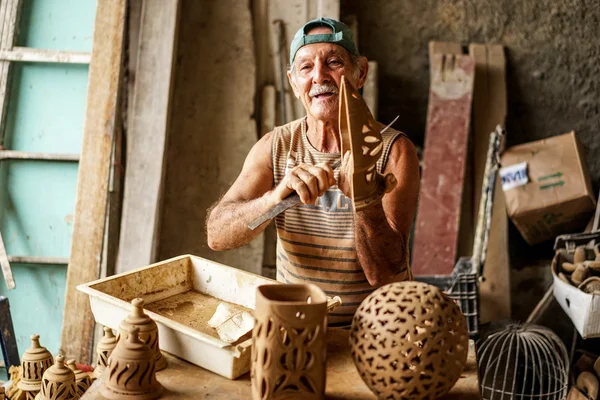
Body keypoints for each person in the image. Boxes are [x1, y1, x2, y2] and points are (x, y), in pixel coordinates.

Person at [207, 18, 420, 327]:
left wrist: (366, 198)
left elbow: (384, 273)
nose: (319, 76)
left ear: (360, 72)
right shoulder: (275, 147)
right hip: (298, 328)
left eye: (333, 62)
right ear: (294, 83)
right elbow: (217, 235)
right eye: (306, 68)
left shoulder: (394, 151)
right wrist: (274, 199)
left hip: (379, 337)